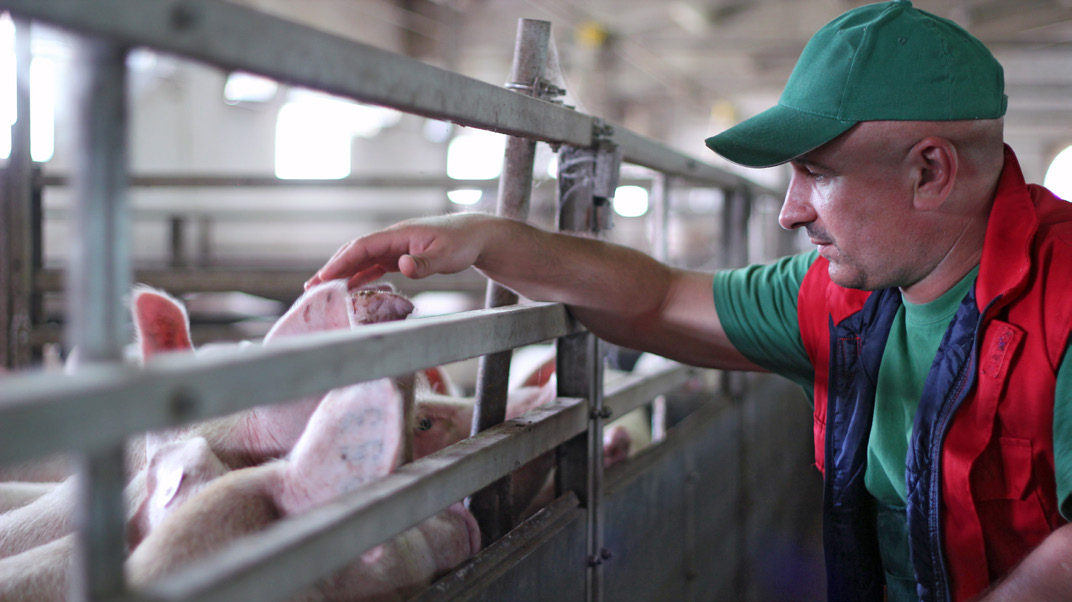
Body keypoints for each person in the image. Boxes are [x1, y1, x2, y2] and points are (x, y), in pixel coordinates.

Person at [306, 1, 1071, 600]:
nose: (790, 211)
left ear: (930, 171)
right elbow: (659, 298)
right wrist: (488, 239)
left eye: (818, 173)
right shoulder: (847, 303)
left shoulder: (1062, 301)